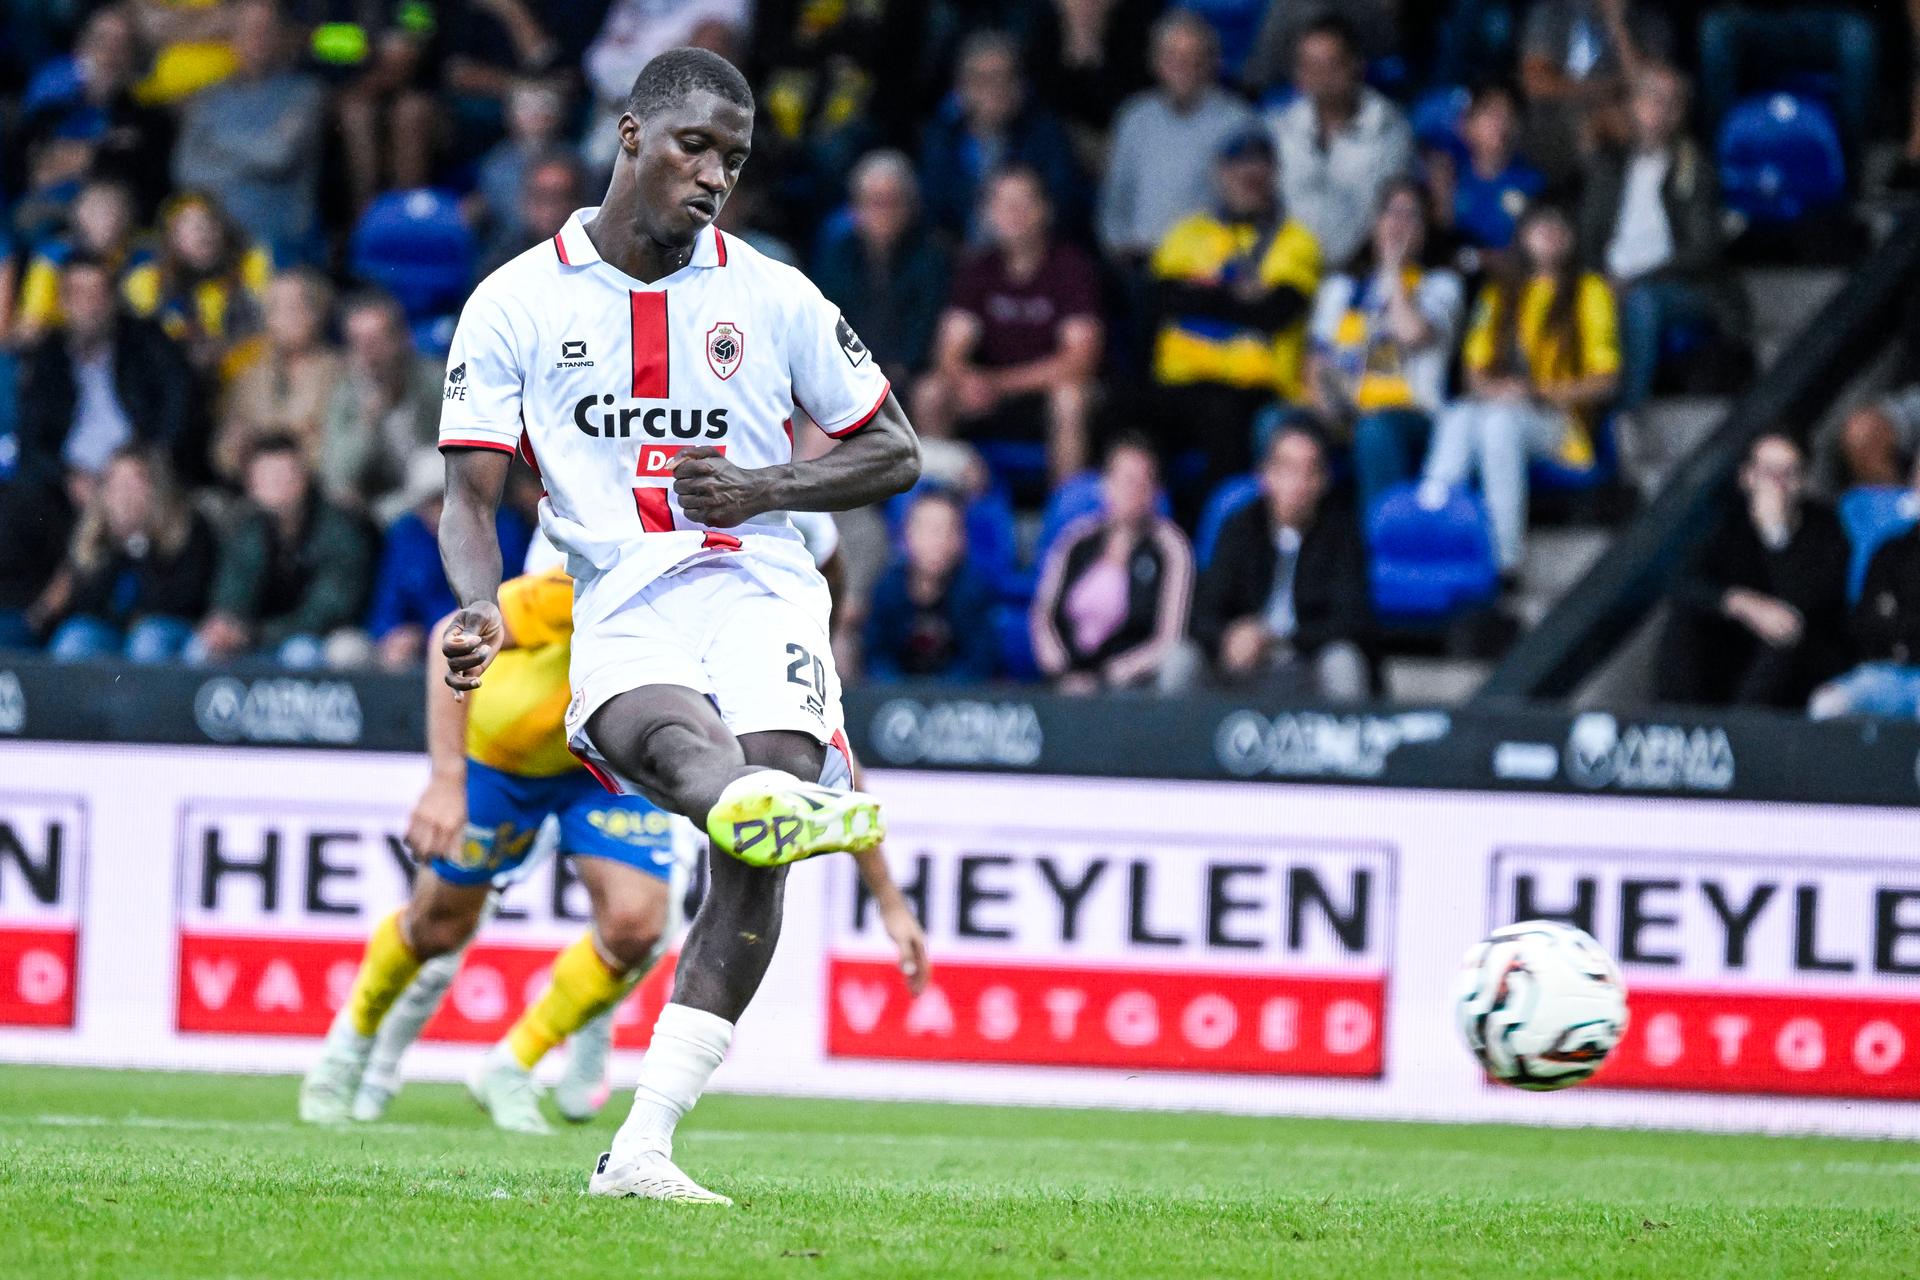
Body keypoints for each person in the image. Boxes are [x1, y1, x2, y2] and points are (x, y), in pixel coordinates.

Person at [432, 48, 921, 1201]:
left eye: (735, 160)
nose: (714, 175)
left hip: (761, 587)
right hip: (619, 596)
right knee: (712, 770)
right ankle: (756, 806)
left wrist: (765, 487)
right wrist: (473, 604)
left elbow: (896, 448)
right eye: (697, 145)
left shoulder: (774, 294)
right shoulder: (515, 300)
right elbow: (467, 497)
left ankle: (641, 1145)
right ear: (632, 135)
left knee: (763, 815)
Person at [1419, 205, 1620, 574]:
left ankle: (1503, 559)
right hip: (1501, 406)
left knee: (1500, 423)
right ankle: (1432, 528)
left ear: (1572, 237)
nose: (1549, 229)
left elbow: (1606, 381)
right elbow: (1472, 375)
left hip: (1561, 423)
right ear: (1522, 235)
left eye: (1559, 222)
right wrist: (1501, 390)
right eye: (1539, 222)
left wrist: (1535, 393)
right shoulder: (1499, 293)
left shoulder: (1590, 290)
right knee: (1459, 414)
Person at [1150, 130, 1321, 505]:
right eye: (1237, 167)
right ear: (1219, 172)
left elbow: (1274, 312)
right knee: (1122, 410)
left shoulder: (1296, 240)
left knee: (1223, 417)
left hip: (1254, 388)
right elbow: (1164, 300)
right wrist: (1240, 296)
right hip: (1179, 382)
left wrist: (1203, 291)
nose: (1247, 178)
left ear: (1274, 174)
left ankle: (1214, 541)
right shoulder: (1188, 232)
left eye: (1258, 169)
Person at [914, 167, 1103, 493]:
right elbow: (949, 349)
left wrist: (997, 384)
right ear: (988, 214)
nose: (1012, 214)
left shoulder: (1071, 267)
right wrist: (966, 378)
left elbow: (1080, 361)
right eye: (1002, 204)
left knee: (1069, 399)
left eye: (1022, 203)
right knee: (930, 393)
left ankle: (1066, 517)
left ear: (1045, 210)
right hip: (988, 394)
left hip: (1045, 392)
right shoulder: (978, 268)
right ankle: (941, 514)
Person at [1580, 65, 1741, 418]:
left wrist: (1634, 280)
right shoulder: (1609, 163)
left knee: (1640, 302)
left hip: (1678, 286)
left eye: (1670, 101)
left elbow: (1702, 249)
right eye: (1650, 97)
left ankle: (1628, 416)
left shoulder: (1694, 164)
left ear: (1680, 112)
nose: (1659, 108)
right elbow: (1588, 236)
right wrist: (1598, 280)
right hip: (1609, 280)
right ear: (1634, 104)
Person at [1658, 433, 1851, 708]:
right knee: (1685, 622)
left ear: (1804, 480)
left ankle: (1743, 735)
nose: (1778, 484)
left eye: (1789, 473)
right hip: (1737, 641)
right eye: (1768, 472)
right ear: (1747, 476)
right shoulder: (1726, 522)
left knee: (1784, 628)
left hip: (1804, 652)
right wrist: (1741, 603)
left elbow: (1809, 602)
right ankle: (1674, 724)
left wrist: (1776, 535)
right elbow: (1681, 581)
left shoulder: (1826, 525)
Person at [1310, 181, 1465, 518]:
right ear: (1375, 222)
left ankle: (1378, 550)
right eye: (1390, 213)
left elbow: (1410, 332)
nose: (1398, 223)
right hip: (1345, 413)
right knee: (1277, 423)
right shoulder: (1341, 288)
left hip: (1413, 416)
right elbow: (1316, 362)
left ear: (1424, 232)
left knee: (1375, 431)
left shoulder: (1441, 285)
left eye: (1411, 216)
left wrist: (1393, 268)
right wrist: (1329, 416)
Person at [1186, 422, 1372, 700]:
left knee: (1342, 662)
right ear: (1266, 475)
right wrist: (1230, 635)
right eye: (1288, 469)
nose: (1299, 483)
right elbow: (1202, 613)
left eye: (1310, 471)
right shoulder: (1239, 527)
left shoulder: (1342, 534)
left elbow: (1352, 621)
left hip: (1307, 664)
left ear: (1323, 481)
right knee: (1182, 659)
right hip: (1244, 665)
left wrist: (1274, 636)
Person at [16, 255, 201, 505]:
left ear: (113, 298)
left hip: (143, 473)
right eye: (78, 294)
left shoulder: (148, 341)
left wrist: (145, 464)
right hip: (70, 484)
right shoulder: (48, 357)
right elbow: (32, 435)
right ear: (63, 302)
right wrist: (67, 476)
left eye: (98, 292)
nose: (89, 304)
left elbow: (179, 407)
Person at [191, 434, 376, 669]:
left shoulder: (339, 527)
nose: (277, 484)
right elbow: (230, 594)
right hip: (259, 637)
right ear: (251, 484)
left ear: (303, 477)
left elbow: (327, 613)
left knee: (301, 653)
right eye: (267, 476)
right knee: (200, 648)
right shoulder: (247, 529)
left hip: (328, 637)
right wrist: (225, 626)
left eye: (285, 475)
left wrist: (254, 634)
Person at [1031, 436, 1193, 692]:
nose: (1132, 489)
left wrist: (1109, 677)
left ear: (1155, 491)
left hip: (1132, 684)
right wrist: (1062, 669)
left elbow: (1169, 637)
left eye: (1142, 481)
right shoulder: (1076, 539)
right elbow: (1043, 614)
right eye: (1124, 479)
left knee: (1182, 660)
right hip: (1068, 679)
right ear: (1105, 484)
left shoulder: (1170, 547)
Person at [1097, 11, 1258, 267]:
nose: (1183, 67)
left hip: (1205, 266)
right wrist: (1118, 245)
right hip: (1136, 261)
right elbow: (1115, 198)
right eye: (1173, 57)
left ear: (1212, 63)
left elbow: (1248, 205)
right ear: (1156, 61)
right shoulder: (1134, 117)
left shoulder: (1238, 122)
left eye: (1194, 57)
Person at [171, 0, 328, 259]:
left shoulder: (305, 94)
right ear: (232, 38)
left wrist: (215, 142)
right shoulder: (210, 98)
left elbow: (278, 155)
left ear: (282, 35)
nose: (257, 38)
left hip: (280, 240)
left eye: (266, 29)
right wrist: (258, 150)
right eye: (247, 29)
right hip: (217, 243)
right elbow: (186, 170)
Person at [31, 447, 215, 664]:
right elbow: (86, 605)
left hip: (171, 629)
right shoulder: (95, 534)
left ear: (156, 486)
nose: (124, 492)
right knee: (75, 637)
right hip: (113, 632)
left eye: (134, 482)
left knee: (148, 639)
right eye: (115, 482)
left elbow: (181, 602)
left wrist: (142, 544)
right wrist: (119, 545)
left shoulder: (187, 527)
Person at [1264, 15, 1414, 272]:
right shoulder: (1279, 129)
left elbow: (1385, 214)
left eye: (1330, 64)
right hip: (1288, 271)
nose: (1320, 76)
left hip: (1359, 271)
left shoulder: (1390, 130)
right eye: (1309, 65)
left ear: (1356, 65)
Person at [366, 453, 533, 671]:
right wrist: (394, 634)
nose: (441, 511)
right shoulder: (405, 535)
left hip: (487, 645)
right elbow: (386, 607)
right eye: (432, 502)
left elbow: (513, 601)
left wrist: (430, 633)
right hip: (421, 653)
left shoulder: (504, 530)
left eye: (448, 498)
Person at [918, 31, 1086, 241]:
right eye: (984, 79)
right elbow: (932, 208)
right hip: (959, 258)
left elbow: (1063, 206)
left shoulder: (1046, 134)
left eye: (1007, 77)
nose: (997, 89)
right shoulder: (943, 136)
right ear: (962, 87)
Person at [813, 151, 951, 385]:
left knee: (932, 394)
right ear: (855, 208)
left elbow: (925, 327)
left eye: (892, 202)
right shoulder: (839, 254)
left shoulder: (931, 255)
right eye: (874, 202)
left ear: (910, 205)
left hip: (911, 375)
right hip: (850, 373)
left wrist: (898, 370)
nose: (882, 214)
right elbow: (825, 319)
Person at [1810, 455, 1920, 720]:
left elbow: (1888, 621)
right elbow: (1863, 621)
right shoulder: (1892, 550)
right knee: (1827, 705)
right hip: (1887, 673)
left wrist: (1897, 623)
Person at [1519, 0, 1672, 188]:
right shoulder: (1552, 12)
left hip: (1615, 128)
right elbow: (1537, 83)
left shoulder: (1650, 23)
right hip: (1553, 122)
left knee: (1629, 122)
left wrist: (1618, 25)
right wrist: (1606, 88)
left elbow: (1646, 90)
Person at [321, 291, 445, 522]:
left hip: (441, 498)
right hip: (381, 509)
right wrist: (368, 421)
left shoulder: (436, 381)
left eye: (377, 339)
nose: (369, 353)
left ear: (402, 339)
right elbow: (337, 476)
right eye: (358, 342)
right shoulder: (346, 395)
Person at [121, 191, 273, 379]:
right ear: (170, 238)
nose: (203, 232)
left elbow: (273, 331)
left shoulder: (251, 267)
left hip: (247, 379)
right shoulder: (147, 283)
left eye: (210, 222)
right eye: (190, 226)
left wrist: (227, 356)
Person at [214, 269, 344, 483]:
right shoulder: (250, 377)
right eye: (273, 310)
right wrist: (237, 449)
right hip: (256, 487)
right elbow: (224, 454)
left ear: (316, 314)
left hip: (321, 486)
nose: (278, 320)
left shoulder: (340, 373)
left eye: (292, 309)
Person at [1699, 2, 1876, 158]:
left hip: (1823, 16)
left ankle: (1845, 163)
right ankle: (1723, 162)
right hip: (1755, 15)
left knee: (1857, 38)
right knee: (1715, 31)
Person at [862, 489, 999, 682]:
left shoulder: (974, 591)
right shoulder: (887, 588)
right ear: (907, 535)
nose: (939, 542)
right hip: (894, 700)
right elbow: (875, 655)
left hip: (958, 704)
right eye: (929, 530)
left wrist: (933, 696)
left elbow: (979, 662)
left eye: (949, 530)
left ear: (962, 540)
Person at [12, 177, 148, 345]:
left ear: (127, 216)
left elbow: (144, 318)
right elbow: (31, 326)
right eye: (95, 211)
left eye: (113, 210)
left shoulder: (140, 258)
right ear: (78, 214)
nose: (105, 220)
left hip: (123, 345)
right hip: (60, 344)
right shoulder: (52, 255)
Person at [1426, 81, 1545, 267]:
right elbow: (1437, 244)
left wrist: (1482, 259)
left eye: (1508, 115)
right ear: (1466, 125)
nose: (1500, 124)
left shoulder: (1534, 184)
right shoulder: (1449, 178)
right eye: (1490, 114)